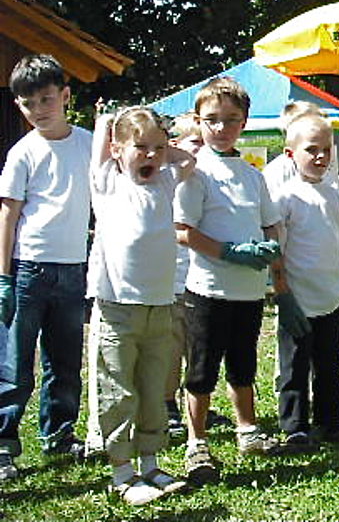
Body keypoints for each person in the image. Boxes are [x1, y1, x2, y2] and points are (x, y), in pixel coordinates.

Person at [173, 77, 284, 486]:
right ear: (199, 122)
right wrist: (229, 252)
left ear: (245, 122)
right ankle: (196, 441)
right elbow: (182, 230)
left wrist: (271, 251)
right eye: (212, 120)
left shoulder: (253, 174)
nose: (221, 128)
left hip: (249, 291)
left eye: (231, 120)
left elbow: (270, 222)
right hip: (208, 290)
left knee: (243, 363)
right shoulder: (195, 172)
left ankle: (247, 430)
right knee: (201, 369)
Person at [88, 107, 194, 504]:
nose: (150, 156)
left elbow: (189, 158)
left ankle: (150, 463)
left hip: (160, 306)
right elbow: (102, 149)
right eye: (140, 148)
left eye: (157, 148)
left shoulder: (165, 182)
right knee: (119, 391)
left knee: (153, 389)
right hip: (118, 308)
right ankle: (122, 472)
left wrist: (166, 143)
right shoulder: (107, 185)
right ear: (118, 150)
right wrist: (108, 122)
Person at [0, 55, 93, 481]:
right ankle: (3, 445)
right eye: (27, 103)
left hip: (74, 269)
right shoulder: (23, 153)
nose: (38, 109)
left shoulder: (91, 144)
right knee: (14, 364)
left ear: (66, 96)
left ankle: (59, 433)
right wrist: (3, 276)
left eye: (46, 98)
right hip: (27, 272)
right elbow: (8, 215)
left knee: (65, 361)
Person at [270, 114, 339, 448]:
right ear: (290, 153)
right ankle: (295, 426)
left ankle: (330, 422)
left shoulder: (334, 195)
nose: (321, 156)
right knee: (294, 367)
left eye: (327, 149)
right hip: (299, 300)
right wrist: (283, 294)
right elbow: (276, 251)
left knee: (330, 366)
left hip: (334, 297)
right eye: (312, 150)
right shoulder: (285, 199)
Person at [161, 114, 232, 438]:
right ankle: (167, 406)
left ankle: (197, 406)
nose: (202, 149)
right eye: (195, 142)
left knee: (199, 350)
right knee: (171, 349)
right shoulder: (174, 180)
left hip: (203, 279)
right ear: (175, 147)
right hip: (174, 280)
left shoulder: (212, 179)